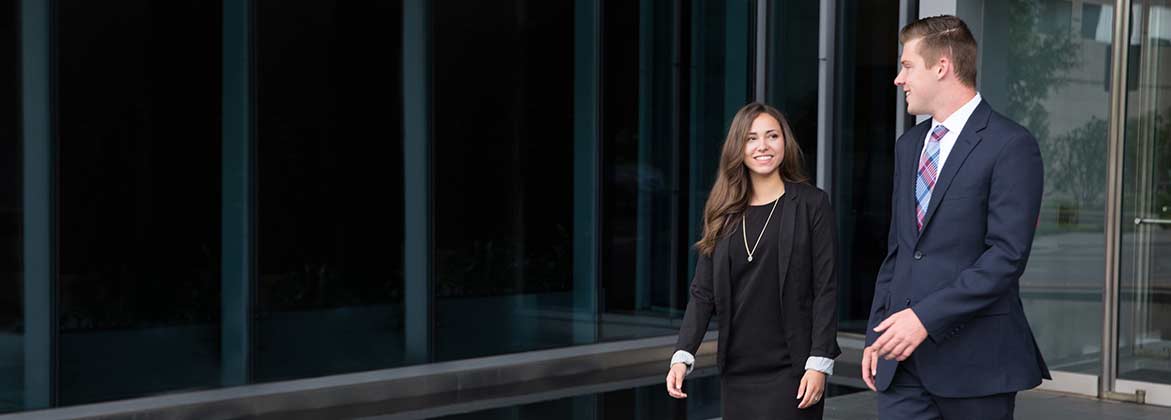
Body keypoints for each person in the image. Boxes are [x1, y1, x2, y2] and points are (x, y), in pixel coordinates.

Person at [861, 15, 1051, 420]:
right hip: (903, 367)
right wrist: (877, 334)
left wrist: (923, 320)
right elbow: (899, 252)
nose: (898, 78)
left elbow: (1005, 258)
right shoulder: (909, 145)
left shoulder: (1011, 145)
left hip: (977, 366)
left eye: (908, 65)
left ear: (942, 66)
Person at [665, 102, 840, 419]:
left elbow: (825, 289)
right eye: (751, 138)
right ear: (738, 148)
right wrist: (682, 353)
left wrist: (819, 362)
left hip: (794, 367)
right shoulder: (722, 211)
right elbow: (702, 292)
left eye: (772, 136)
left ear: (784, 143)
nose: (763, 146)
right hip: (738, 367)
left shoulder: (812, 204)